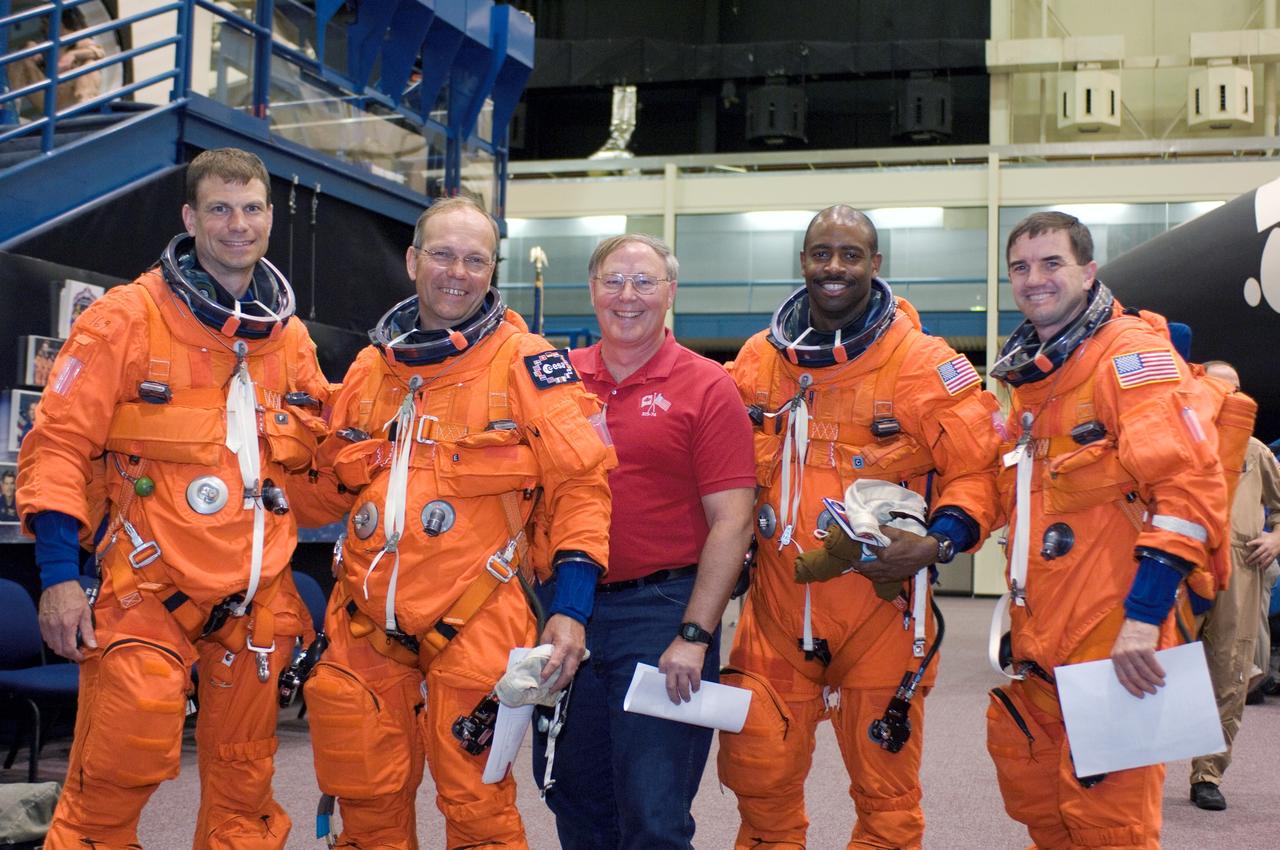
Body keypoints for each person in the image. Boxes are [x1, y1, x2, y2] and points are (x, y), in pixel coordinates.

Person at [15, 147, 330, 849]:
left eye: (251, 209)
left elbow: (317, 463)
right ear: (190, 218)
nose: (237, 225)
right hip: (148, 594)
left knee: (244, 796)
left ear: (270, 219)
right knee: (110, 785)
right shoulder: (125, 320)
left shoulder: (290, 341)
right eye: (220, 209)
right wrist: (59, 578)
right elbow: (58, 445)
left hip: (254, 606)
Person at [289, 195, 613, 850]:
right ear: (413, 261)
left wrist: (571, 608)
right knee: (366, 804)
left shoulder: (526, 363)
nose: (457, 273)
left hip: (477, 613)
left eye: (475, 260)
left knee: (477, 808)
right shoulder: (371, 369)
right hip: (364, 618)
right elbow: (324, 487)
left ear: (492, 271)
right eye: (442, 254)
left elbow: (582, 487)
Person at [717, 205, 1003, 850]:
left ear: (875, 264)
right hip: (776, 608)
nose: (835, 268)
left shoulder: (922, 363)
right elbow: (717, 465)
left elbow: (979, 470)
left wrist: (938, 542)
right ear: (803, 262)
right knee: (759, 779)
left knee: (886, 798)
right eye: (822, 253)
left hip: (882, 611)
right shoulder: (760, 360)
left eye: (851, 255)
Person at [986, 211, 1228, 849]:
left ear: (1089, 271)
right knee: (1044, 803)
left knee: (1111, 822)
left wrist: (1144, 618)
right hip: (1043, 625)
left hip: (1116, 625)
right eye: (1020, 267)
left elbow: (1187, 487)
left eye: (1052, 263)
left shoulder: (1129, 355)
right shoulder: (1034, 380)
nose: (1034, 279)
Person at [531, 234, 755, 849]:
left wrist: (694, 636)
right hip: (565, 610)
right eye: (613, 280)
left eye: (644, 282)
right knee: (574, 801)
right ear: (592, 290)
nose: (627, 296)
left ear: (670, 292)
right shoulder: (555, 380)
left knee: (654, 814)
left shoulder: (708, 386)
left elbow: (733, 522)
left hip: (662, 617)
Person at [1188, 360, 1280, 810]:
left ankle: (1208, 773)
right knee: (1157, 668)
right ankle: (1136, 769)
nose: (1232, 400)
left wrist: (1276, 538)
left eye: (1238, 390)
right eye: (1220, 390)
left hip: (1239, 571)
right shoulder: (1176, 441)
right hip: (1181, 571)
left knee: (1231, 672)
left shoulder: (1256, 452)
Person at [7, 7, 105, 117]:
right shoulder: (49, 43)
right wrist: (27, 49)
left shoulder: (79, 39)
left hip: (73, 98)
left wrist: (73, 54)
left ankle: (86, 105)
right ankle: (9, 106)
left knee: (90, 65)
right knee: (23, 59)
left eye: (46, 24)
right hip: (51, 97)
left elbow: (99, 52)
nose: (44, 27)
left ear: (59, 24)